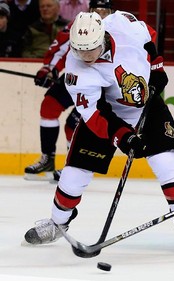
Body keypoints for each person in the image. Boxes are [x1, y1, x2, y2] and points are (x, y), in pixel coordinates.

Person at [24, 11, 174, 248]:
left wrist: (157, 67)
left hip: (145, 103)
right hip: (107, 112)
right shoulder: (76, 69)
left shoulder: (122, 24)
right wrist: (124, 138)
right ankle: (58, 223)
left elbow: (149, 37)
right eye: (79, 50)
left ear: (103, 37)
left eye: (90, 49)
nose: (85, 55)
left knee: (167, 163)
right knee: (74, 174)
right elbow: (97, 115)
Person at [24, 0, 113, 181]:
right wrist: (49, 69)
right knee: (49, 106)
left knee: (73, 125)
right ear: (90, 10)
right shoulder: (80, 25)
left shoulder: (119, 30)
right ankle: (48, 158)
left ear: (112, 12)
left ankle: (74, 166)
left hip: (103, 85)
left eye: (105, 11)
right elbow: (61, 48)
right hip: (76, 76)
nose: (101, 15)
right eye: (97, 10)